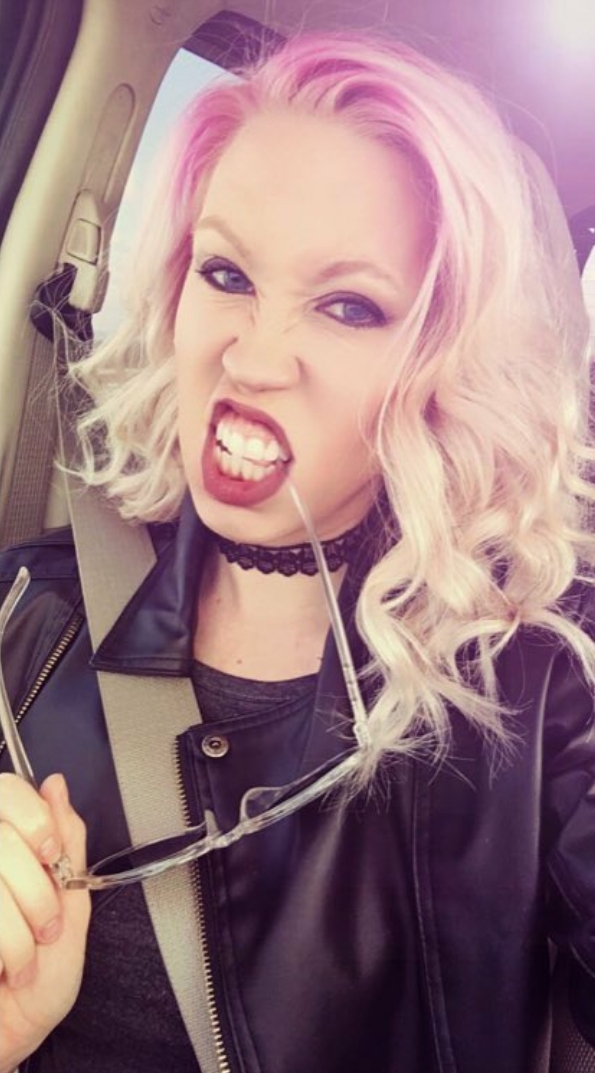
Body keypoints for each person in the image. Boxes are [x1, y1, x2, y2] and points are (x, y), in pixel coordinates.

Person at [0, 30, 594, 1073]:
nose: (253, 356)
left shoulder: (545, 685)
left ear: (443, 364)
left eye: (348, 304)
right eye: (226, 272)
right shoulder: (29, 613)